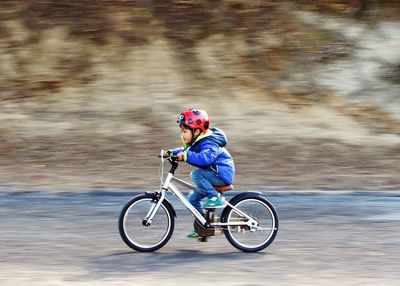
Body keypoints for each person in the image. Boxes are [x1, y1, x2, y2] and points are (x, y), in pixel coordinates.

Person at [169, 109, 235, 238]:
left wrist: (186, 156)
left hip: (221, 174)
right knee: (192, 199)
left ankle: (215, 197)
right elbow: (184, 150)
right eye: (181, 131)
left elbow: (206, 159)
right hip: (211, 175)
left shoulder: (209, 142)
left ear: (197, 131)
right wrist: (171, 152)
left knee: (196, 174)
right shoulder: (197, 142)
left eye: (185, 131)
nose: (182, 135)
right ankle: (203, 227)